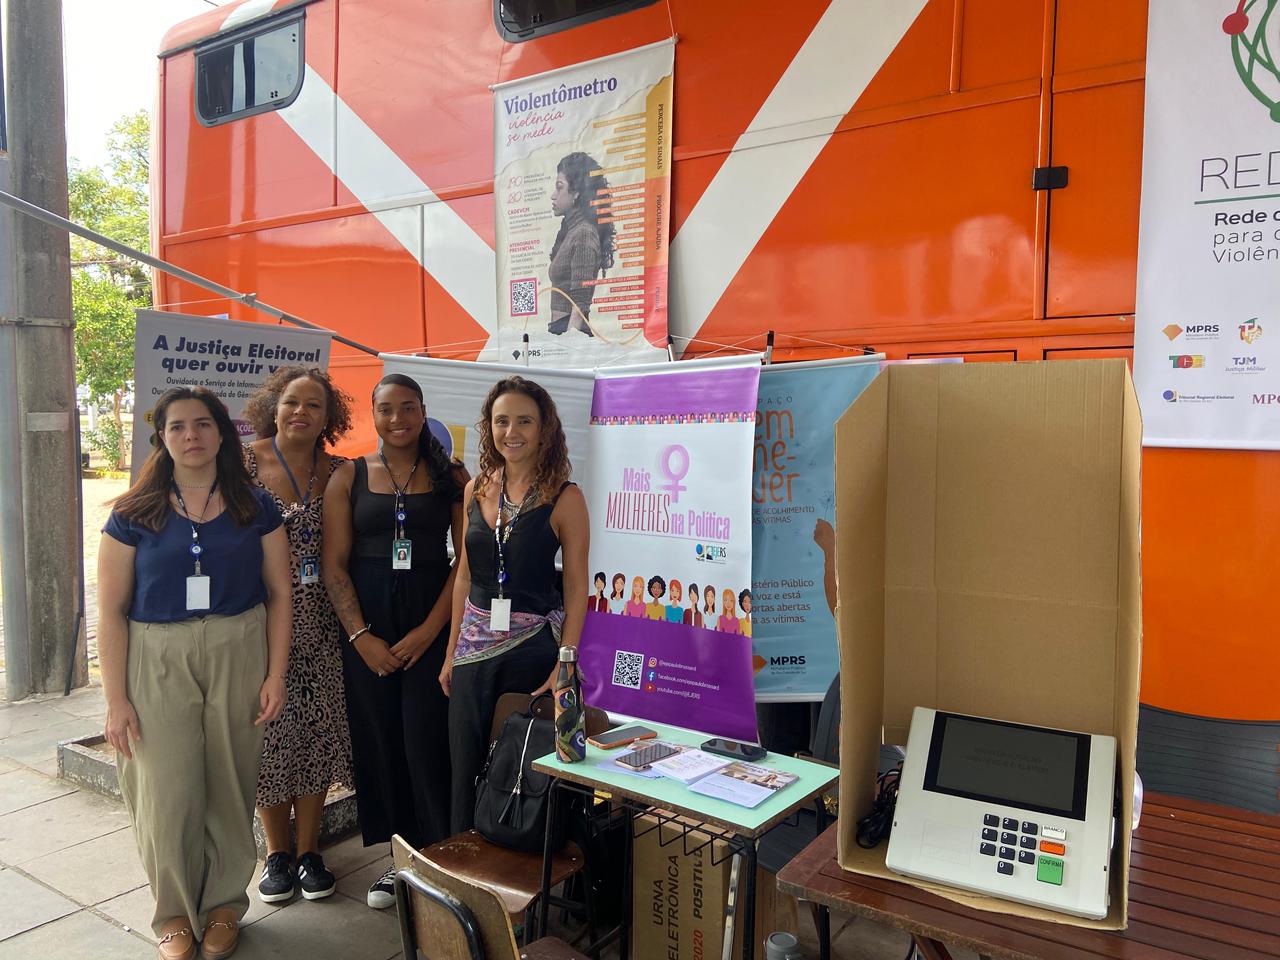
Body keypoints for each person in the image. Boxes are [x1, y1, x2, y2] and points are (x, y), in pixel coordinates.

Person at [98, 387, 290, 960]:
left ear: (221, 435)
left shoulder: (257, 506)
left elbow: (281, 595)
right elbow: (109, 610)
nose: (191, 436)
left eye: (203, 425)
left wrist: (275, 674)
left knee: (230, 784)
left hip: (239, 645)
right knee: (166, 788)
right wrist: (115, 700)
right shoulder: (133, 513)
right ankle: (175, 912)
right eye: (177, 426)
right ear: (162, 437)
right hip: (156, 654)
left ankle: (226, 903)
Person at [322, 374, 467, 909]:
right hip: (369, 632)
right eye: (386, 409)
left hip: (432, 624)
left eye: (408, 408)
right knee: (381, 741)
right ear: (374, 415)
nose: (397, 419)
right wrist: (361, 637)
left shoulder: (451, 476)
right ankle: (397, 861)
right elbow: (335, 568)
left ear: (423, 411)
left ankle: (438, 857)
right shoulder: (349, 476)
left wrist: (430, 631)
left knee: (427, 742)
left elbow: (466, 562)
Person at [441, 375, 589, 834]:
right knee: (464, 768)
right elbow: (464, 575)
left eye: (524, 420)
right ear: (489, 427)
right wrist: (450, 654)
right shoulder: (475, 490)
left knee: (521, 771)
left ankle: (523, 872)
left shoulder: (566, 497)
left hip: (533, 655)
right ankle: (466, 876)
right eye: (502, 420)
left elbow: (578, 588)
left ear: (545, 429)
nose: (512, 431)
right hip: (472, 654)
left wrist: (565, 664)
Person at [242, 367, 355, 905]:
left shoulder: (340, 470)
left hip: (322, 623)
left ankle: (309, 852)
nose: (301, 413)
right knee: (269, 737)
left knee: (313, 733)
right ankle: (276, 854)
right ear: (274, 405)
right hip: (258, 621)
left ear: (328, 418)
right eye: (292, 402)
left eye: (314, 405)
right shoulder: (243, 463)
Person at [547, 151, 615, 336]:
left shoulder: (583, 234)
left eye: (559, 187)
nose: (553, 196)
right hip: (564, 333)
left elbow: (579, 306)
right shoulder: (571, 230)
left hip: (572, 335)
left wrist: (569, 350)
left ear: (576, 192)